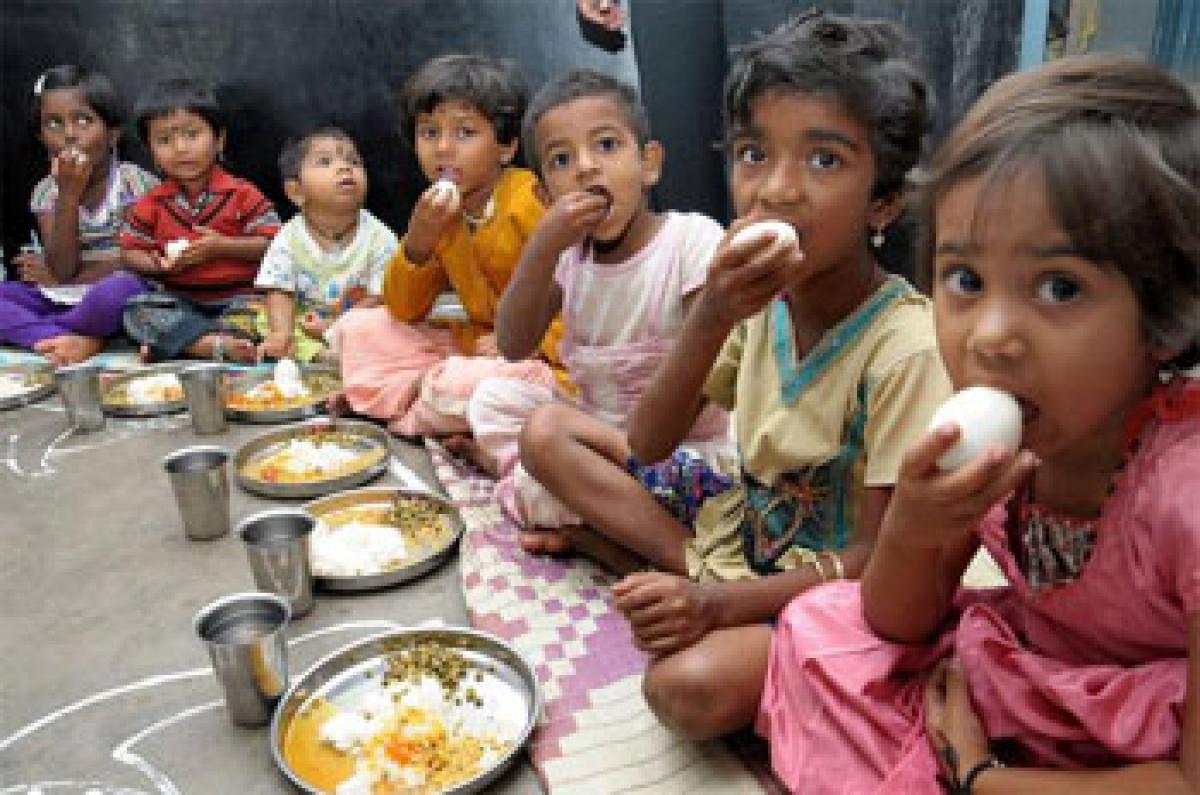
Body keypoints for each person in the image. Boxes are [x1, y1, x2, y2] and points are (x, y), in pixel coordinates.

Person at [756, 54, 1200, 793]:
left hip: (1145, 749)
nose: (990, 336)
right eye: (964, 279)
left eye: (1059, 287)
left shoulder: (1185, 494)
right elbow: (896, 621)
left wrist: (980, 772)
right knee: (818, 625)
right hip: (1032, 685)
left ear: (1164, 320)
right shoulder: (1000, 433)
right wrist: (917, 527)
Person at [588, 11, 951, 737]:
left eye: (823, 160)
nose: (774, 190)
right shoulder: (757, 303)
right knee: (548, 433)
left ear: (883, 200)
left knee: (684, 688)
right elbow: (649, 441)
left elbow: (876, 557)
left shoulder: (906, 347)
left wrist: (716, 608)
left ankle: (681, 585)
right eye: (754, 153)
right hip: (742, 525)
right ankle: (683, 579)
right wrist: (712, 311)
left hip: (834, 583)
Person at [464, 68, 733, 562]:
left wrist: (612, 449)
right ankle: (604, 529)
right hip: (595, 441)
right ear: (546, 196)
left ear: (649, 164)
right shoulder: (569, 258)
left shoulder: (692, 241)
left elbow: (713, 375)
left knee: (541, 446)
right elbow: (513, 343)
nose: (587, 169)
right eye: (562, 160)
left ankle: (671, 558)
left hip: (687, 455)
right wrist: (540, 248)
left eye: (607, 146)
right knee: (492, 400)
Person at [332, 54, 564, 433]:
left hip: (546, 363)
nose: (443, 148)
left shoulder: (531, 201)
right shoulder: (440, 210)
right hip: (476, 349)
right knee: (360, 327)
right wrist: (419, 243)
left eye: (465, 133)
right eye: (429, 133)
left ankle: (418, 401)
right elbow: (404, 309)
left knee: (466, 387)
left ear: (506, 147)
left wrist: (528, 343)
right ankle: (430, 398)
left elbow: (583, 296)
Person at [0, 65, 157, 365]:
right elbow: (63, 268)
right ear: (41, 137)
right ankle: (81, 340)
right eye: (54, 124)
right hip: (62, 299)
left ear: (112, 134)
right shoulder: (46, 192)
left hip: (113, 297)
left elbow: (143, 262)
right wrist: (68, 196)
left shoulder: (135, 184)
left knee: (119, 291)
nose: (69, 135)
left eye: (83, 120)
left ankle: (56, 337)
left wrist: (75, 275)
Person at [118, 77, 280, 363]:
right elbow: (130, 253)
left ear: (219, 140)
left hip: (239, 299)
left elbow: (273, 244)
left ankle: (185, 343)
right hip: (182, 301)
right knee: (136, 311)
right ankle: (208, 343)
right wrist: (158, 264)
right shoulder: (152, 202)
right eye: (165, 140)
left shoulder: (242, 193)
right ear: (151, 151)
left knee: (265, 315)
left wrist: (222, 247)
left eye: (192, 135)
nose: (181, 148)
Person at [253, 127, 397, 363]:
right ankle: (320, 355)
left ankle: (339, 354)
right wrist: (281, 334)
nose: (345, 167)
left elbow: (380, 296)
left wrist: (338, 325)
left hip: (357, 321)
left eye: (353, 161)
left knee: (389, 321)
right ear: (296, 191)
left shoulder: (380, 236)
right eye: (325, 161)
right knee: (267, 319)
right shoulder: (289, 237)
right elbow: (279, 290)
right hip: (305, 324)